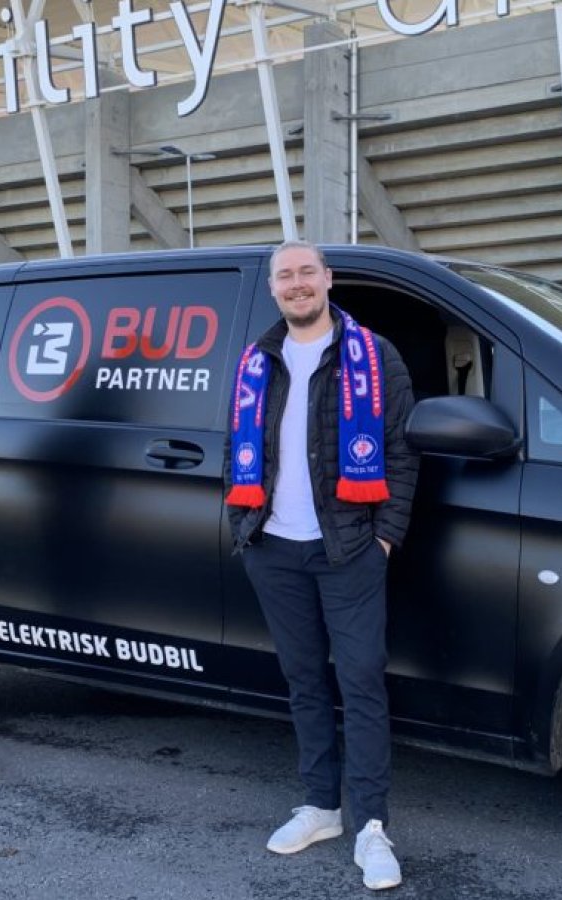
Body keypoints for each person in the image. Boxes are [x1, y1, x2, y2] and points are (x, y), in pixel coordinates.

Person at [225, 240, 419, 890]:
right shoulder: (258, 360)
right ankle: (320, 807)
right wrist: (243, 532)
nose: (298, 284)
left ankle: (371, 827)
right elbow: (238, 449)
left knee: (361, 683)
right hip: (274, 548)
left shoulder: (373, 355)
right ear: (274, 288)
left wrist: (384, 538)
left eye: (308, 272)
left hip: (349, 551)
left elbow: (401, 451)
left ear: (328, 280)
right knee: (304, 680)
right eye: (286, 276)